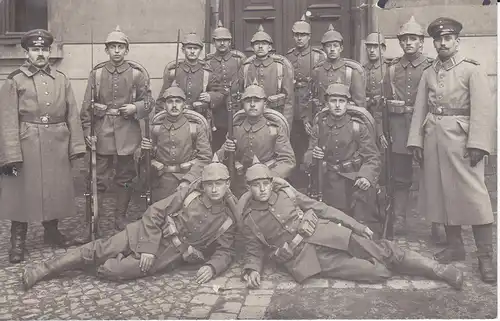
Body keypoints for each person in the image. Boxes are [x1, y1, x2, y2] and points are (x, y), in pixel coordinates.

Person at [22, 155, 239, 290]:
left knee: (112, 271)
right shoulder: (189, 195)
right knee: (101, 248)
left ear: (227, 184)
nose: (214, 189)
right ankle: (44, 270)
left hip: (168, 255)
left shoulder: (228, 219)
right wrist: (147, 248)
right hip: (143, 233)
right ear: (203, 183)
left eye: (219, 184)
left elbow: (226, 252)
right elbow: (154, 213)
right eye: (209, 183)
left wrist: (212, 267)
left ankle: (88, 264)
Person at [238, 159, 463, 290]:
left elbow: (323, 209)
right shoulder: (249, 218)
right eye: (256, 185)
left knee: (383, 249)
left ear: (271, 182)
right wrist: (252, 269)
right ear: (249, 187)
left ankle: (436, 269)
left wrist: (356, 226)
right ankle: (391, 264)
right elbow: (252, 249)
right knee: (377, 273)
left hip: (326, 233)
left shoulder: (287, 193)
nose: (263, 189)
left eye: (266, 183)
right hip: (308, 259)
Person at [407, 17, 496, 283]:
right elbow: (420, 108)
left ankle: (485, 258)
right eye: (438, 39)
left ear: (457, 41)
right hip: (434, 138)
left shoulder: (472, 70)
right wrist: (416, 141)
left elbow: (483, 110)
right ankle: (455, 246)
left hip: (463, 141)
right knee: (443, 194)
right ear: (433, 42)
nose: (443, 43)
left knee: (475, 198)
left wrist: (479, 144)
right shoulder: (429, 72)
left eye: (448, 39)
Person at [0, 29, 86, 263]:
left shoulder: (61, 79)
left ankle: (52, 231)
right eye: (35, 50)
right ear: (26, 52)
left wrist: (76, 145)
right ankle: (18, 240)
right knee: (21, 190)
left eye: (44, 50)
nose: (40, 54)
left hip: (57, 140)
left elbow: (72, 113)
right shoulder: (14, 80)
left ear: (50, 52)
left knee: (55, 188)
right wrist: (11, 153)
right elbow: (7, 119)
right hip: (27, 140)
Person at [78, 26, 154, 238]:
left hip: (127, 132)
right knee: (97, 179)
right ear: (107, 50)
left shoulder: (137, 74)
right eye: (113, 47)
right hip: (102, 132)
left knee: (126, 177)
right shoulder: (97, 73)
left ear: (126, 50)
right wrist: (87, 131)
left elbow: (149, 102)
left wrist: (135, 108)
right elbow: (86, 106)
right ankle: (93, 220)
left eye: (121, 47)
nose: (117, 51)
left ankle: (120, 217)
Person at [380, 16, 434, 237]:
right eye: (405, 39)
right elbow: (383, 103)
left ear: (422, 42)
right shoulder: (392, 69)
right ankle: (399, 218)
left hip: (425, 127)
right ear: (400, 43)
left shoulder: (432, 67)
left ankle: (437, 223)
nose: (409, 43)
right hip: (399, 128)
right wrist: (383, 131)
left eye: (414, 39)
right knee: (400, 176)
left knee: (431, 176)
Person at [304, 84, 381, 233]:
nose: (338, 105)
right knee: (332, 223)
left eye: (342, 101)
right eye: (333, 101)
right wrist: (313, 156)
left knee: (361, 219)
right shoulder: (319, 127)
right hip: (329, 181)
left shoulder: (358, 127)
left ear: (348, 103)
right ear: (327, 103)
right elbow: (307, 157)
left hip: (354, 180)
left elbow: (372, 157)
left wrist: (366, 177)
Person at [215, 81, 295, 197]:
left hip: (268, 183)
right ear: (243, 104)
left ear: (265, 104)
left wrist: (269, 177)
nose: (252, 105)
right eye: (248, 101)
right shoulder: (236, 128)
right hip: (241, 184)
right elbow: (219, 158)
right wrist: (226, 150)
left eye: (257, 101)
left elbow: (288, 161)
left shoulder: (274, 129)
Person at [137, 85, 212, 203]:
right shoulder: (155, 129)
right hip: (162, 182)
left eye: (178, 101)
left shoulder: (195, 128)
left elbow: (205, 158)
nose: (174, 105)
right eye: (170, 102)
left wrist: (188, 180)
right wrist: (143, 150)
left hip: (189, 180)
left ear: (184, 105)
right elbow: (142, 159)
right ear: (164, 105)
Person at [285, 15, 326, 188]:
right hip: (293, 104)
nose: (300, 38)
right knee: (294, 141)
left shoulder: (318, 56)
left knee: (313, 141)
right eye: (297, 35)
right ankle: (295, 180)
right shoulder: (287, 57)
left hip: (311, 105)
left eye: (303, 35)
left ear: (309, 37)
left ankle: (313, 180)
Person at [155, 31, 223, 132]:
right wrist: (159, 121)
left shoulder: (206, 73)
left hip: (200, 120)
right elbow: (161, 100)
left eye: (195, 48)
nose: (192, 51)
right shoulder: (174, 72)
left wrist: (210, 96)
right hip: (176, 120)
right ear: (183, 50)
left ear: (200, 50)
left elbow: (220, 93)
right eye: (189, 48)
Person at [238, 25, 295, 127]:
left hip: (275, 117)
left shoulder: (280, 67)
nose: (260, 46)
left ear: (270, 47)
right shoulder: (246, 68)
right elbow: (237, 96)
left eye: (264, 44)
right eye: (257, 44)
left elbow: (288, 99)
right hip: (250, 119)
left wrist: (285, 123)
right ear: (252, 47)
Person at [204, 21, 246, 151]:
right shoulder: (208, 62)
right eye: (218, 40)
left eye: (225, 40)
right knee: (217, 144)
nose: (222, 43)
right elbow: (205, 86)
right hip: (216, 111)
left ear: (230, 42)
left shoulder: (239, 60)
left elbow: (243, 85)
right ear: (214, 42)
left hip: (235, 108)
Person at [312, 24, 366, 109]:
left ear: (341, 48)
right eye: (329, 46)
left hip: (346, 118)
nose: (332, 49)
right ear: (323, 48)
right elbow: (312, 100)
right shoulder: (317, 71)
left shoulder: (351, 72)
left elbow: (360, 104)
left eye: (335, 45)